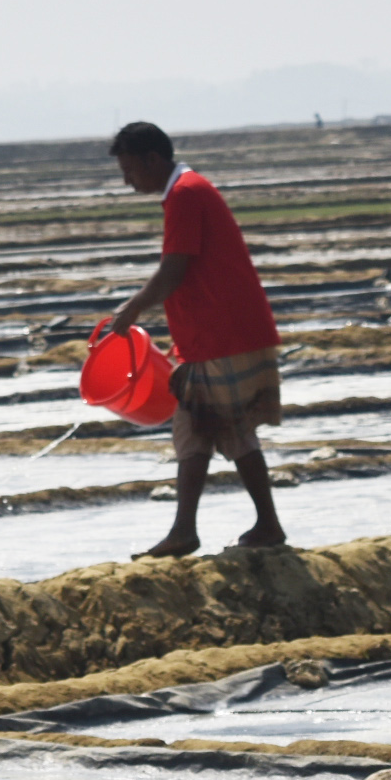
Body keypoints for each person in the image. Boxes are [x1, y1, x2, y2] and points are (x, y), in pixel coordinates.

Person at [103, 123, 287, 556]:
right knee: (199, 428)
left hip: (223, 335)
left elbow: (174, 270)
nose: (126, 180)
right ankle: (204, 528)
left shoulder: (185, 194)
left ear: (153, 159)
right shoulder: (187, 190)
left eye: (130, 169)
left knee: (221, 428)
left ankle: (241, 526)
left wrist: (131, 310)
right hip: (215, 334)